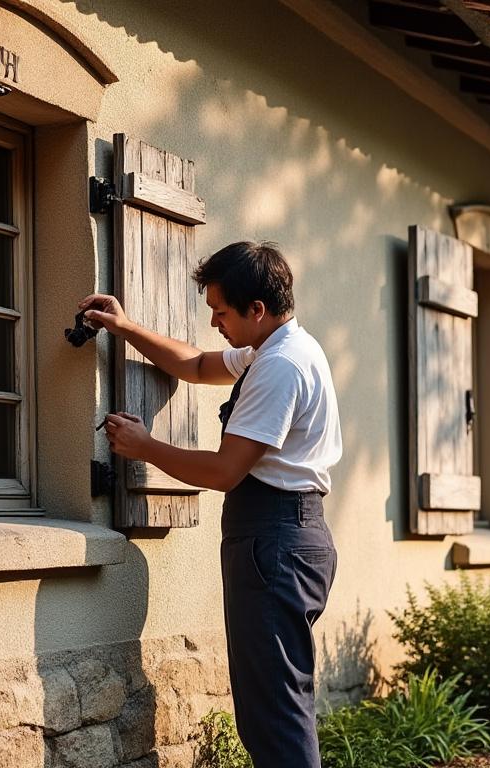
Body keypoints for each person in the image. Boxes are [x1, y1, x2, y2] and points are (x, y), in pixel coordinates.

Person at [79, 240, 342, 767]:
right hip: (286, 538)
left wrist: (144, 447)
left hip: (274, 543)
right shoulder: (274, 348)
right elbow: (197, 365)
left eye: (221, 312)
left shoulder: (281, 366)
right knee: (275, 709)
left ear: (257, 310)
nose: (216, 322)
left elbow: (226, 471)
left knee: (275, 719)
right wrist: (125, 329)